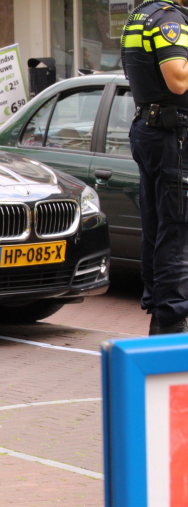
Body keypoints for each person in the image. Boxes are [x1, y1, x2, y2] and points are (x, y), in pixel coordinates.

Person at [123, 0, 188, 334]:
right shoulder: (169, 19)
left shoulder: (142, 15)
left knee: (158, 227)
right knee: (176, 231)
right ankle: (172, 324)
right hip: (171, 136)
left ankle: (160, 317)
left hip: (152, 129)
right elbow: (178, 79)